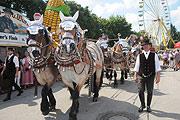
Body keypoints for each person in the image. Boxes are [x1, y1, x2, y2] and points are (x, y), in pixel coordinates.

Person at [134, 39, 161, 113]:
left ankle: (148, 106)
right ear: (143, 47)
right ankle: (142, 105)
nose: (145, 46)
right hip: (141, 76)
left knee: (150, 91)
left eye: (147, 45)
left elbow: (157, 67)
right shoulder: (139, 56)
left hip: (150, 76)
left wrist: (158, 77)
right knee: (140, 91)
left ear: (149, 46)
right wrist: (135, 76)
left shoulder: (154, 55)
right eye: (144, 45)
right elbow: (137, 67)